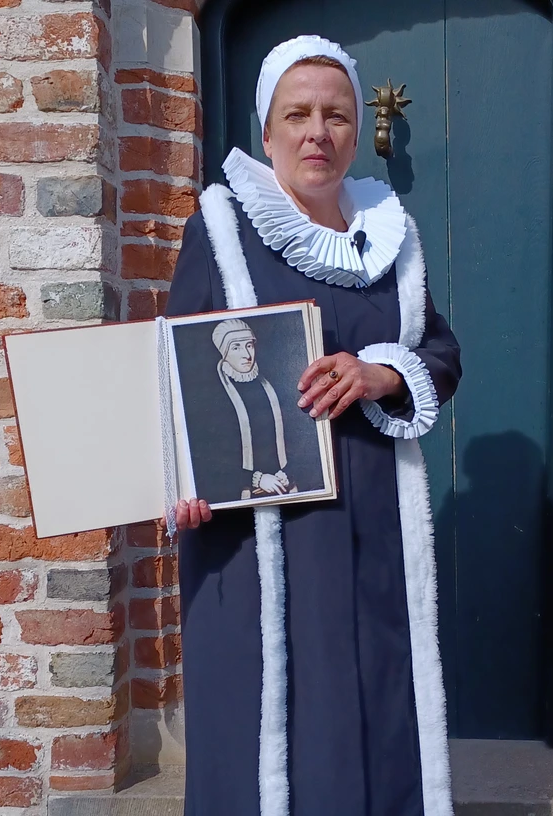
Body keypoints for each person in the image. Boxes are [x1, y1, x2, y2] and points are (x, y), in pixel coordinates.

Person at [166, 35, 462, 816]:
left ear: (357, 131)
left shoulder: (391, 235)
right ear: (268, 133)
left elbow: (440, 350)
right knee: (270, 724)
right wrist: (182, 482)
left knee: (369, 705)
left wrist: (379, 372)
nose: (316, 132)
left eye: (335, 115)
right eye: (296, 114)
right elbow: (175, 372)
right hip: (253, 527)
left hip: (371, 520)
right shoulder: (224, 226)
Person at [208, 318, 295, 502]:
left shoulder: (273, 385)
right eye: (236, 347)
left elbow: (299, 437)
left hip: (283, 485)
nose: (246, 355)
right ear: (223, 352)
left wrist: (289, 473)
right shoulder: (213, 395)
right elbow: (210, 457)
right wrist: (256, 479)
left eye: (249, 345)